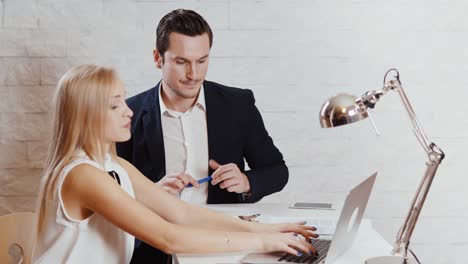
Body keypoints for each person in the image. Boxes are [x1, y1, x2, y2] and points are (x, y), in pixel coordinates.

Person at [32, 64, 317, 264]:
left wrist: (267, 230)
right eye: (115, 105)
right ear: (87, 115)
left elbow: (181, 213)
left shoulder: (113, 164)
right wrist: (263, 243)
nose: (128, 111)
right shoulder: (83, 175)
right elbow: (168, 237)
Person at [116, 8, 290, 262]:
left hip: (227, 244)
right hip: (155, 251)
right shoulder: (126, 114)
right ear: (158, 58)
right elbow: (111, 193)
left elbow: (277, 171)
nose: (194, 74)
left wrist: (245, 182)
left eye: (202, 61)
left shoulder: (238, 104)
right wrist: (150, 194)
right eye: (181, 62)